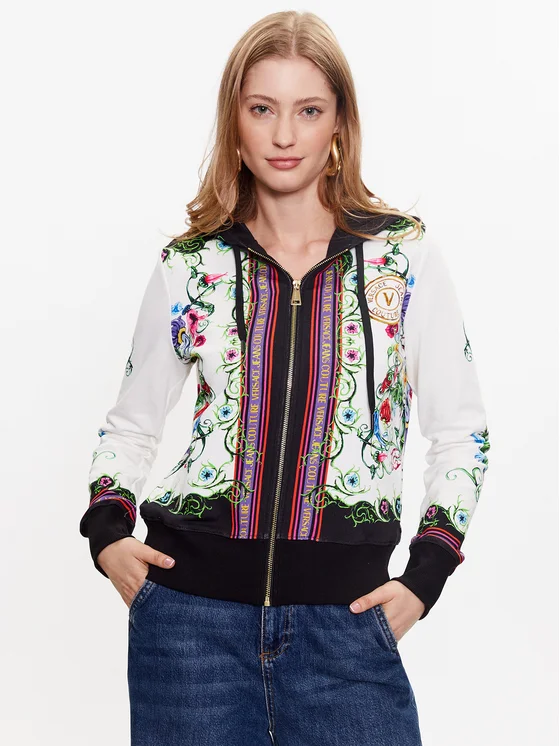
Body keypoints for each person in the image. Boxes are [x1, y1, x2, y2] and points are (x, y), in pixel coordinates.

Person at [79, 10, 491, 746]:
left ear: (339, 125)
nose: (283, 135)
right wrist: (108, 532)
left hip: (347, 628)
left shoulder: (402, 258)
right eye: (262, 108)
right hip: (190, 630)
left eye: (308, 110)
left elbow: (461, 432)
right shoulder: (192, 266)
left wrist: (426, 575)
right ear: (234, 123)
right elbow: (131, 426)